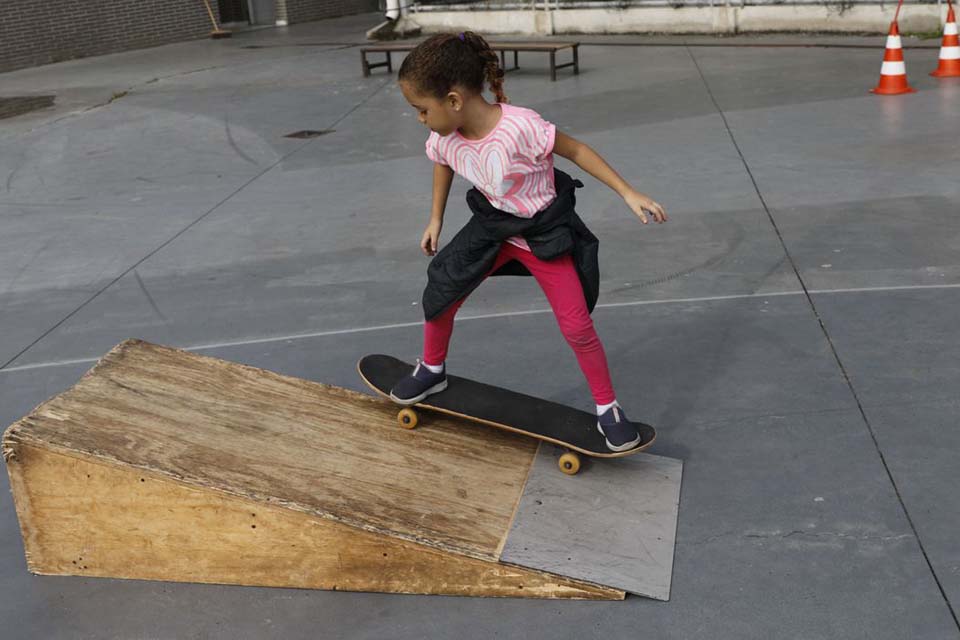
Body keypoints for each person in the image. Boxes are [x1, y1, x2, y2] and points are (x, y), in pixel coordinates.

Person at [389, 31, 667, 452]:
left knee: (576, 325)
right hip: (493, 227)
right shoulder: (445, 136)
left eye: (422, 109)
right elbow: (442, 163)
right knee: (442, 289)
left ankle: (608, 408)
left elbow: (577, 151)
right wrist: (435, 219)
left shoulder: (522, 128)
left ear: (454, 100)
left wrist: (628, 192)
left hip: (542, 232)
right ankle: (432, 369)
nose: (420, 119)